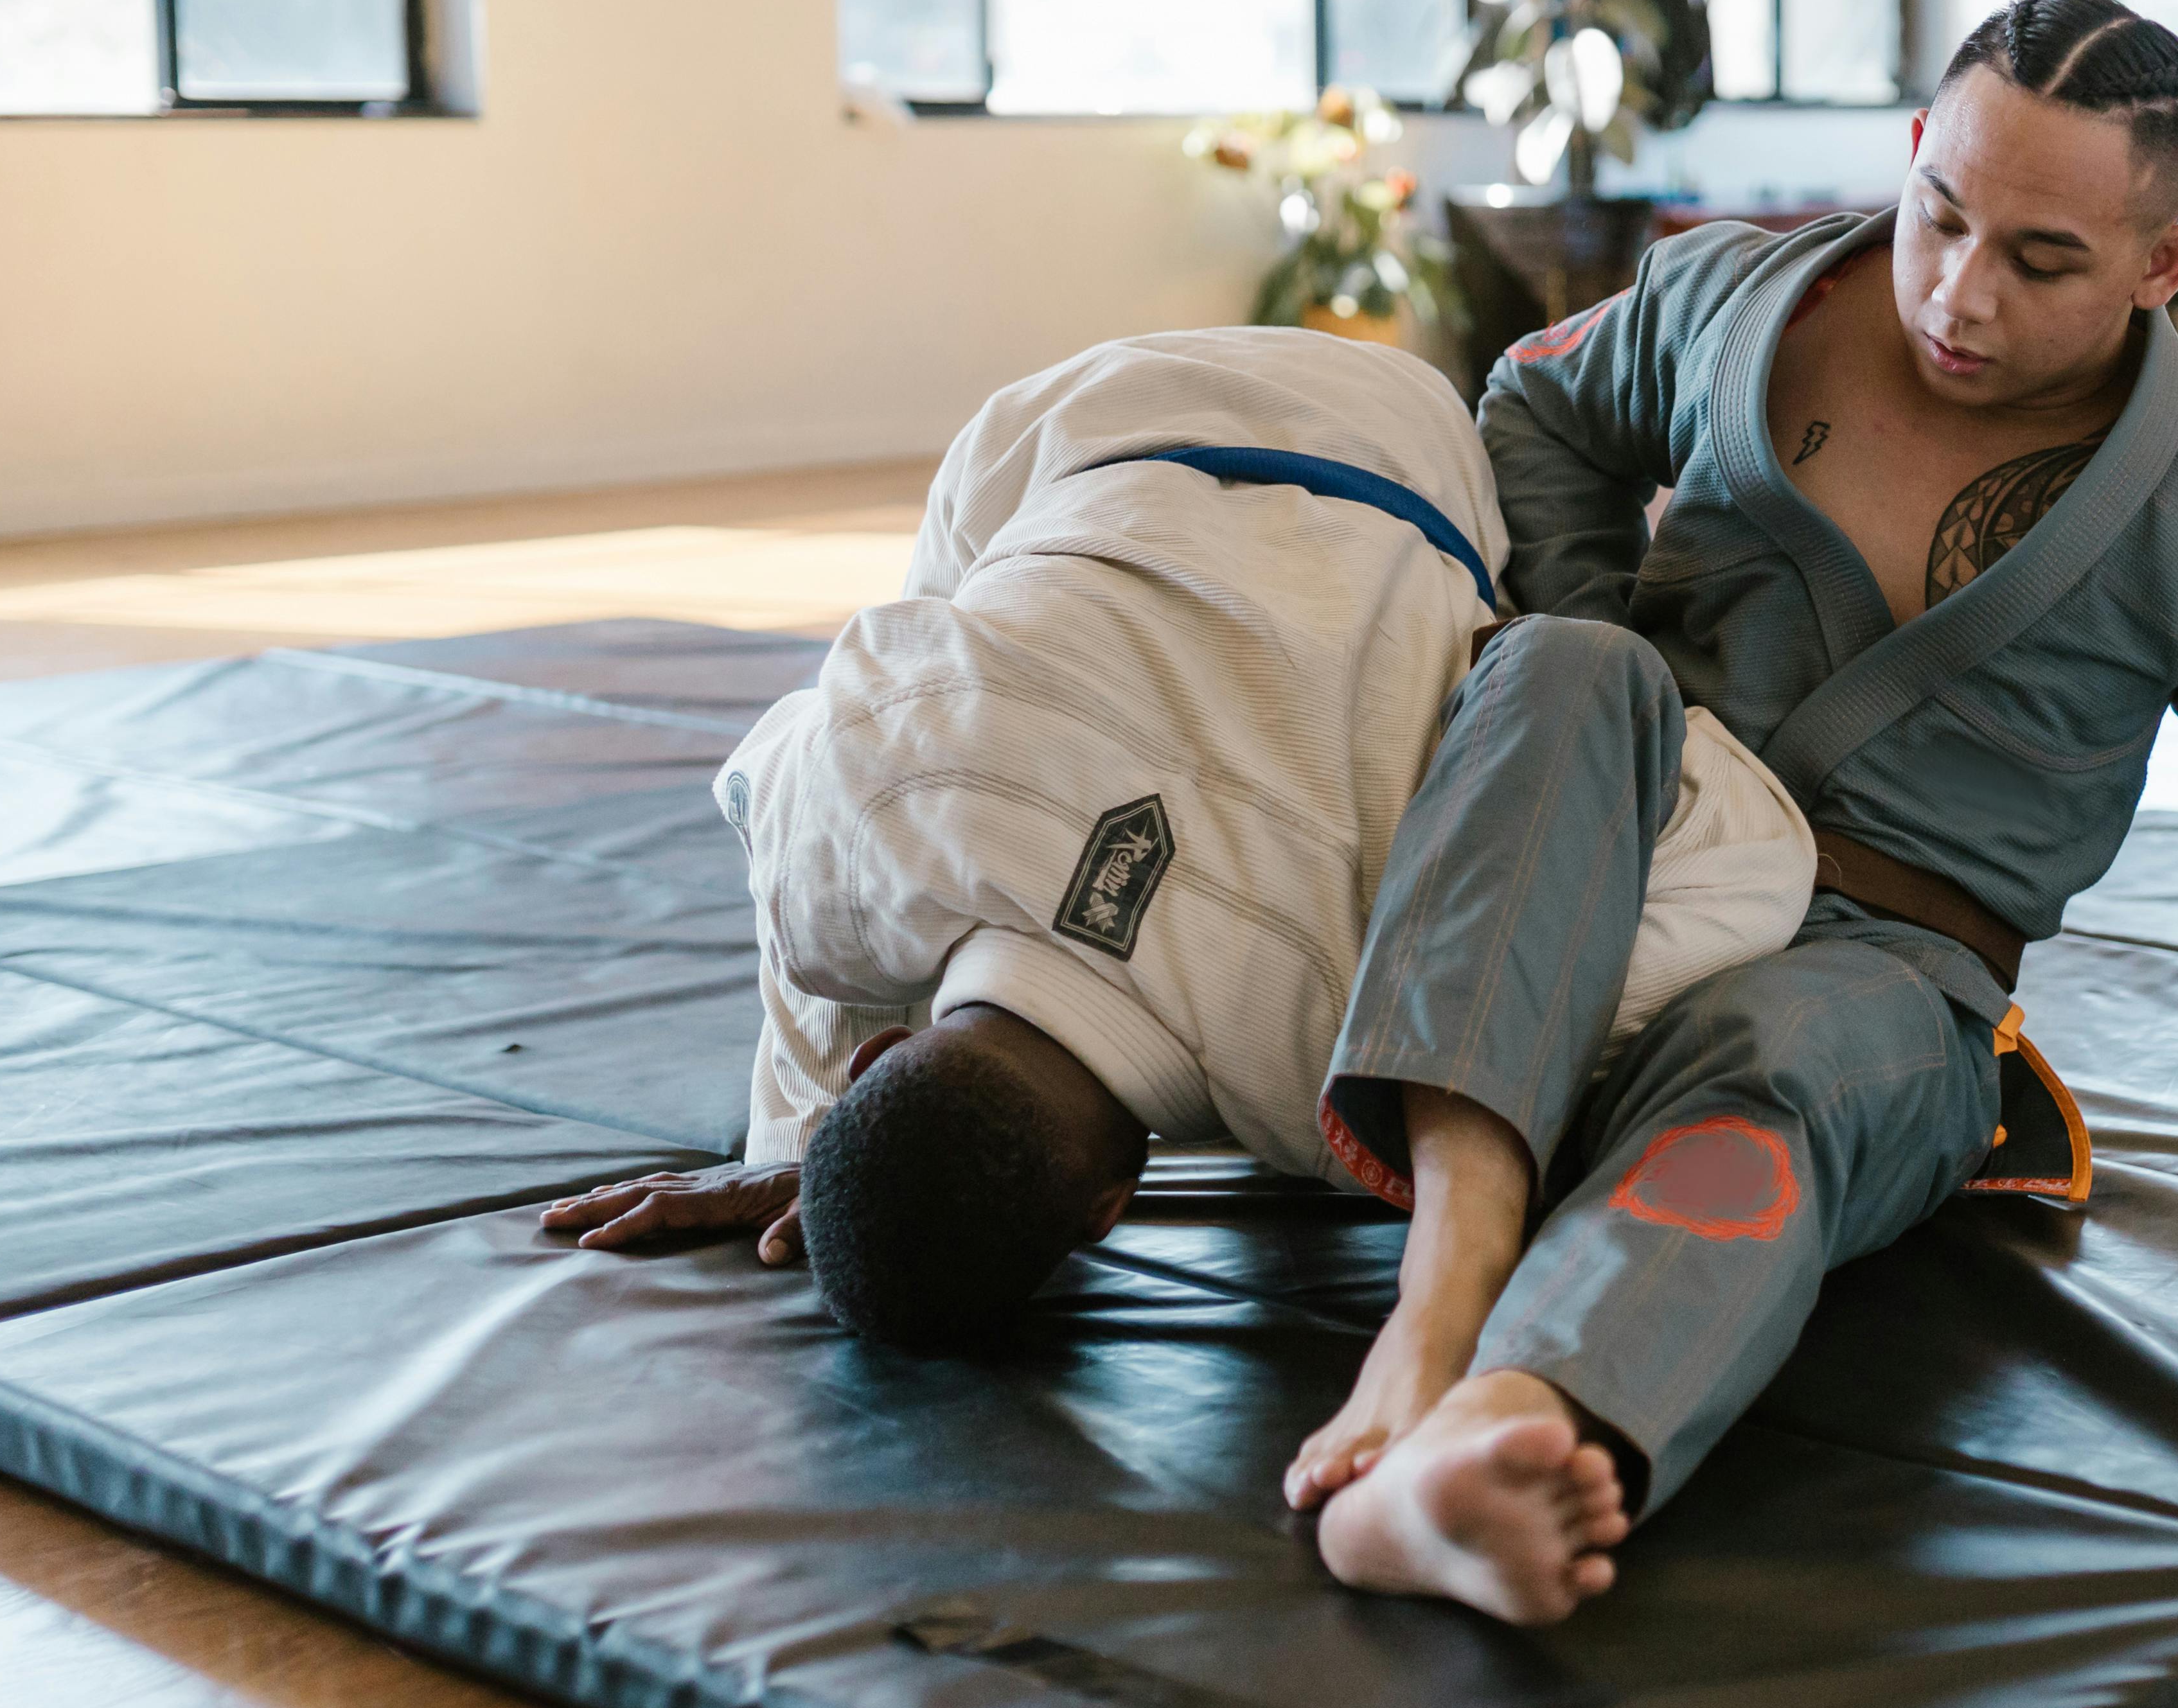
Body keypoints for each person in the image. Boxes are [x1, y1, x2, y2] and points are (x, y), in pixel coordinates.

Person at [1295, 0, 2178, 1629]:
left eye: (2043, 260)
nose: (1960, 292)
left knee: (1786, 1068)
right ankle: (1433, 1315)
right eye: (1940, 215)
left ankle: (1508, 1436)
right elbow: (1534, 402)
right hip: (1610, 851)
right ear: (1914, 155)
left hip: (1882, 975)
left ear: (2166, 266)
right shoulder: (1739, 296)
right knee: (1572, 668)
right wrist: (1598, 626)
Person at [536, 328, 1818, 1602]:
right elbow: (774, 790)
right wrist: (805, 1121)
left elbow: (1764, 857)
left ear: (1108, 1212)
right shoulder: (863, 816)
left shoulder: (1353, 1063)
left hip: (1411, 467)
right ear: (886, 1048)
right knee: (939, 639)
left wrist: (1540, 945)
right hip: (1087, 425)